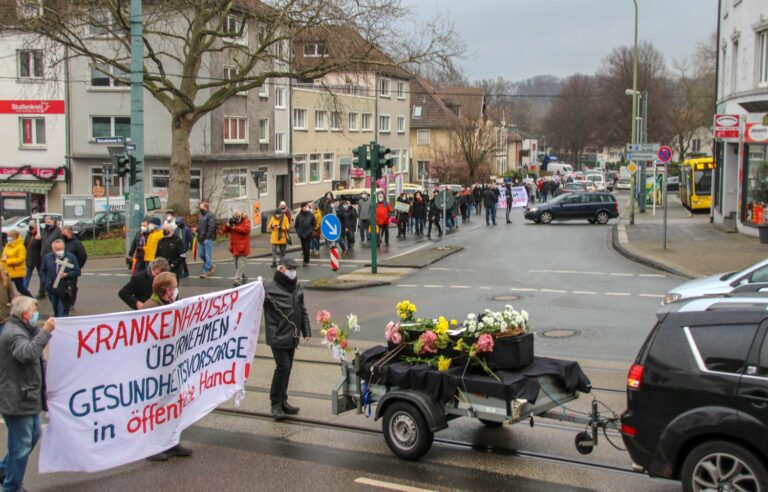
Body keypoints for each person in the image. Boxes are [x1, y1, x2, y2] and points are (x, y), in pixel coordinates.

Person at [0, 296, 55, 492]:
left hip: (26, 396)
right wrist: (45, 333)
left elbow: (37, 359)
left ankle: (5, 470)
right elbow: (27, 354)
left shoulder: (24, 329)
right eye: (34, 310)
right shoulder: (15, 333)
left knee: (31, 436)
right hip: (17, 398)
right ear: (25, 315)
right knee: (21, 446)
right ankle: (12, 487)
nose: (36, 313)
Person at [140, 273, 193, 462]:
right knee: (156, 407)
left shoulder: (170, 303)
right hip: (156, 369)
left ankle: (171, 442)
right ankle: (151, 447)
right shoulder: (150, 308)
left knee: (171, 405)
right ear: (166, 290)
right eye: (175, 286)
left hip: (170, 365)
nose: (177, 289)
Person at [263, 257, 311, 420]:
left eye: (295, 269)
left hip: (293, 335)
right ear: (281, 269)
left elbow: (302, 309)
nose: (293, 272)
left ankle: (283, 401)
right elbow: (248, 298)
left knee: (288, 368)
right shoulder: (268, 287)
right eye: (291, 269)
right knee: (282, 367)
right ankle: (275, 404)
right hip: (277, 335)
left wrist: (306, 330)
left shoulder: (297, 287)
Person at [40, 239, 80, 317]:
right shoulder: (48, 257)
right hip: (52, 288)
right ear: (53, 249)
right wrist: (45, 282)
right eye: (57, 249)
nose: (59, 251)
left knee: (62, 311)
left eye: (61, 249)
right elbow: (43, 270)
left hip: (65, 289)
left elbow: (77, 271)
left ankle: (63, 322)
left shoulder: (71, 257)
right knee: (55, 309)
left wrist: (67, 274)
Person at [61, 226, 87, 308]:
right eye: (62, 232)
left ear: (70, 232)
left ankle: (71, 303)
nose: (63, 234)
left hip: (72, 269)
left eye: (64, 233)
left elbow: (83, 256)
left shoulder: (77, 243)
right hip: (62, 269)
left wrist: (78, 266)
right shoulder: (62, 242)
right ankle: (64, 301)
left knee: (72, 287)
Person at [224, 210, 251, 286]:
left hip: (243, 247)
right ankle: (243, 276)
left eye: (237, 217)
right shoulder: (233, 221)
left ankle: (237, 279)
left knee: (241, 264)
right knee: (237, 265)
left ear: (240, 216)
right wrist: (228, 224)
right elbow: (225, 230)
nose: (236, 219)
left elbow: (246, 230)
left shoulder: (246, 221)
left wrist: (235, 227)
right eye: (235, 217)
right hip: (235, 247)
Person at [2, 231, 31, 297]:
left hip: (17, 271)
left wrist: (8, 260)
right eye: (7, 237)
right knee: (6, 287)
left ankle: (32, 300)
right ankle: (9, 300)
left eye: (10, 237)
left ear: (15, 237)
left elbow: (21, 259)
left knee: (20, 288)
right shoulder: (7, 245)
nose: (8, 239)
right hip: (8, 271)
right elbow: (3, 257)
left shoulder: (20, 246)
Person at [197, 201, 217, 278]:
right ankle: (211, 265)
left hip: (207, 239)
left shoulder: (210, 215)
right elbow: (201, 226)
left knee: (208, 255)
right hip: (200, 238)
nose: (200, 209)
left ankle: (205, 271)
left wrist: (207, 237)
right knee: (201, 254)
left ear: (206, 207)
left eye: (201, 207)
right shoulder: (201, 215)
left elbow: (211, 227)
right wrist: (196, 230)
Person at [23, 221, 42, 297]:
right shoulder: (28, 235)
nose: (31, 229)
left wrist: (39, 239)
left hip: (38, 259)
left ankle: (42, 291)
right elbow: (25, 244)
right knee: (26, 277)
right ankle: (24, 291)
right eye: (30, 227)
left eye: (32, 227)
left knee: (41, 276)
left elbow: (43, 246)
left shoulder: (40, 235)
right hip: (29, 259)